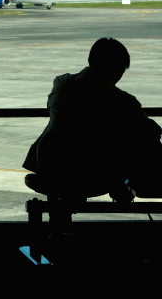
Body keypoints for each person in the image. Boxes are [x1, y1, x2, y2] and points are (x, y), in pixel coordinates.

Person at [23, 37, 162, 196]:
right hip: (95, 174)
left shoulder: (61, 85)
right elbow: (152, 132)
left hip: (53, 168)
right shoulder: (122, 101)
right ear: (118, 69)